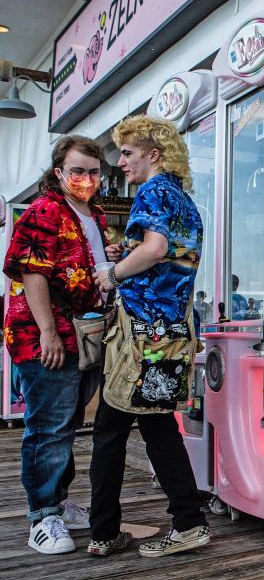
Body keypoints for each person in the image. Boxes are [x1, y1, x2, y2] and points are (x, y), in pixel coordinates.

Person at [88, 115, 210, 557]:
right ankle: (189, 522)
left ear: (153, 155)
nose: (120, 162)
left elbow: (156, 249)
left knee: (109, 430)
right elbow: (165, 254)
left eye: (128, 153)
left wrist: (113, 273)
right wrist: (133, 252)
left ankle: (103, 532)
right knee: (159, 427)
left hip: (138, 331)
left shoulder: (153, 190)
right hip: (170, 331)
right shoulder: (183, 200)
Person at [2, 136, 107, 554]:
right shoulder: (45, 210)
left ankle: (58, 504)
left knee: (64, 426)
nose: (86, 179)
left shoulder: (92, 215)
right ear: (59, 172)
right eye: (77, 170)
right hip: (45, 336)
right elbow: (32, 272)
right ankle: (42, 516)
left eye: (94, 171)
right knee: (48, 428)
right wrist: (47, 330)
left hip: (81, 334)